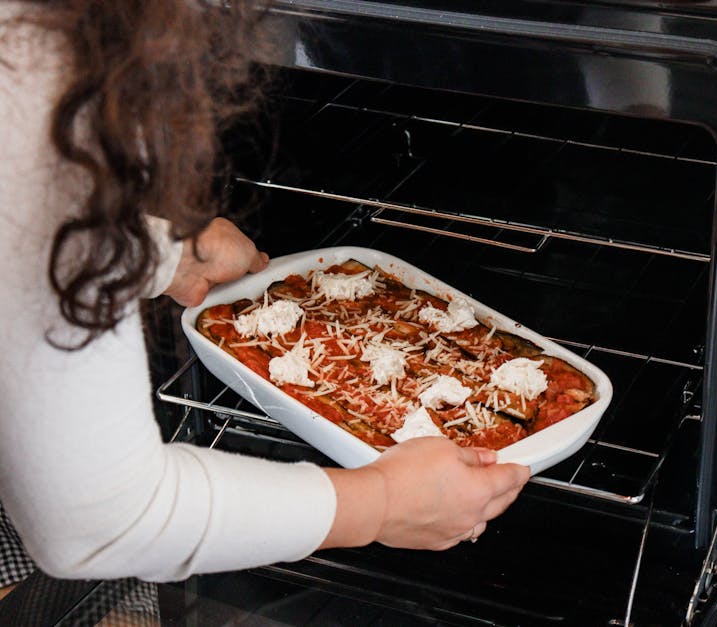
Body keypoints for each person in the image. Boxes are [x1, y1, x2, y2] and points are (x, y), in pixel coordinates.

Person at [0, 0, 529, 592]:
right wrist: (381, 502)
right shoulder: (32, 63)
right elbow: (96, 519)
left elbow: (18, 228)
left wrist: (163, 253)